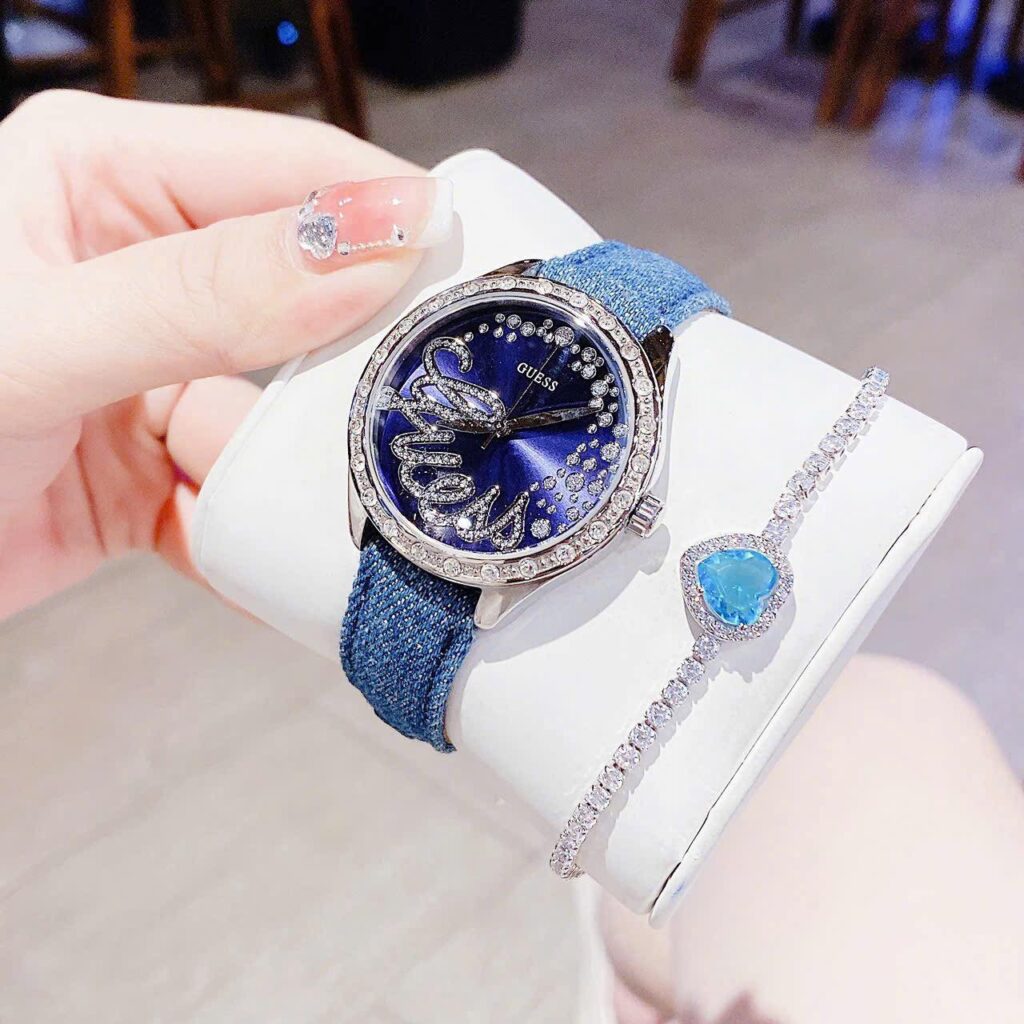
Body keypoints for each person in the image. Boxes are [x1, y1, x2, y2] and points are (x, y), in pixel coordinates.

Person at [1, 92, 1021, 1023]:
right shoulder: (405, 512)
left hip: (525, 411)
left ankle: (628, 970)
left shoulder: (573, 327)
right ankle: (630, 966)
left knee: (856, 740)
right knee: (892, 712)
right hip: (445, 504)